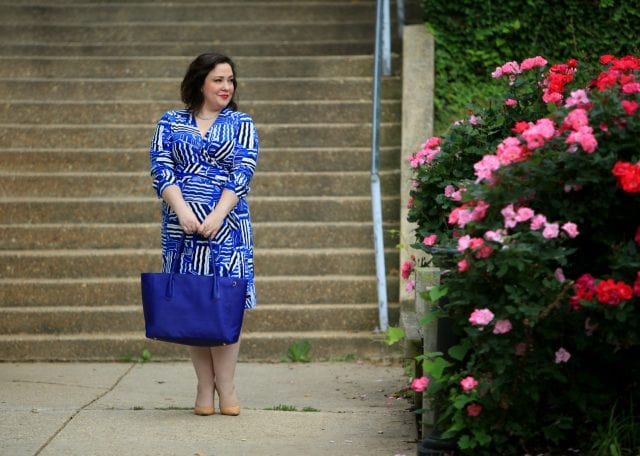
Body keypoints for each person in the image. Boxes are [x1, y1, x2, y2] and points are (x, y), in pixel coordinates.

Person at [149, 52, 258, 417]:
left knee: (226, 306)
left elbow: (243, 172)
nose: (226, 87)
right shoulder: (170, 122)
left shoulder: (241, 123)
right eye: (218, 80)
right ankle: (202, 387)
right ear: (200, 82)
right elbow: (161, 169)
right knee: (193, 305)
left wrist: (216, 214)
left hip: (228, 227)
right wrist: (182, 212)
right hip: (181, 230)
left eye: (230, 80)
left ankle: (226, 387)